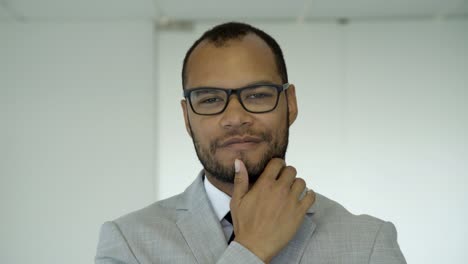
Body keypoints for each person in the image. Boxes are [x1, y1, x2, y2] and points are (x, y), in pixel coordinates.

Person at [95, 22, 406, 264]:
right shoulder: (129, 243)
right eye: (211, 99)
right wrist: (250, 251)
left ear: (291, 103)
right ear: (187, 117)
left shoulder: (368, 244)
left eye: (257, 95)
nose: (235, 117)